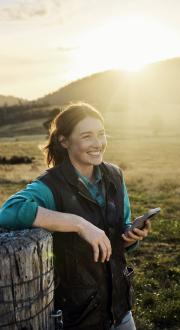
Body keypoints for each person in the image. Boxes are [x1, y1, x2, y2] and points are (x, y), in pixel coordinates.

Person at [0, 102, 151, 330]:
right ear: (64, 141)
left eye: (101, 134)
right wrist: (78, 223)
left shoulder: (115, 175)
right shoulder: (50, 186)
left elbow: (123, 227)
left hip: (120, 308)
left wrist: (131, 236)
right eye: (87, 136)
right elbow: (8, 211)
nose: (98, 143)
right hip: (79, 317)